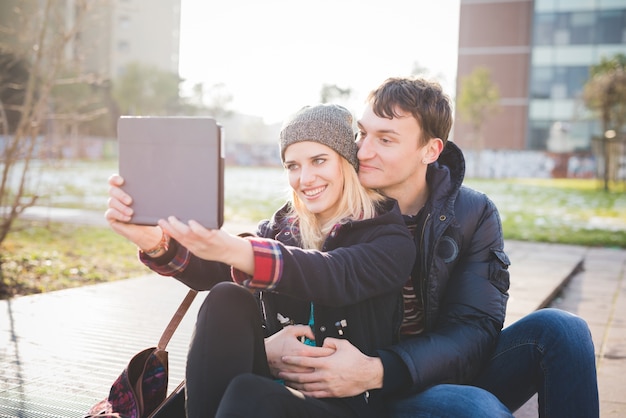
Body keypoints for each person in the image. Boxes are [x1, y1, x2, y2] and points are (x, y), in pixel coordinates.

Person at [271, 77, 600, 418]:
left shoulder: (472, 213)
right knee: (477, 408)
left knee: (563, 330)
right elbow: (272, 266)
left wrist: (378, 369)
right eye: (363, 134)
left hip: (413, 370)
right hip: (365, 392)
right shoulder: (332, 201)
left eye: (385, 140)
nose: (363, 151)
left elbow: (475, 327)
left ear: (430, 151)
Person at [105, 104, 416, 417]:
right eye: (292, 166)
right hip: (265, 393)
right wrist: (154, 242)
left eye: (318, 160)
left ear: (346, 162)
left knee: (249, 394)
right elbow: (212, 271)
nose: (305, 178)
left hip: (344, 406)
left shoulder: (388, 238)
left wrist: (236, 248)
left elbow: (333, 275)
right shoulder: (280, 231)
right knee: (226, 296)